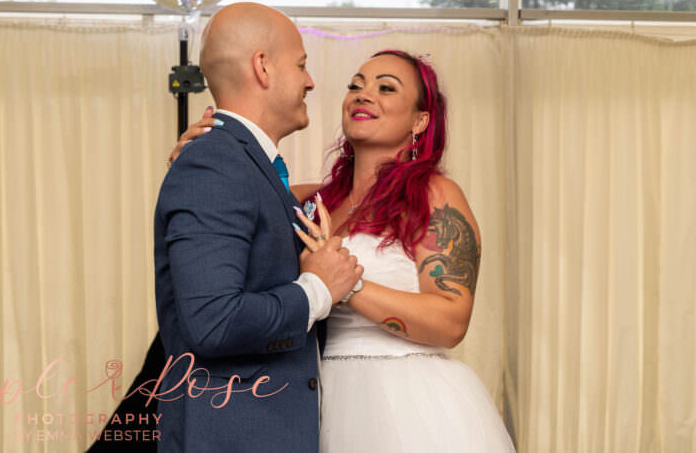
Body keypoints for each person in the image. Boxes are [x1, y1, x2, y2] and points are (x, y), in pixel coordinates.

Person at [171, 48, 514, 452]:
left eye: (386, 88)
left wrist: (348, 286)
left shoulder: (434, 197)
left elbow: (452, 322)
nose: (363, 95)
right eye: (356, 85)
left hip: (407, 402)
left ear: (420, 120)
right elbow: (229, 214)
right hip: (316, 396)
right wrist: (197, 159)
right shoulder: (308, 201)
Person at [153, 2, 362, 452]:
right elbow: (213, 321)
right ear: (263, 67)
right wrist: (318, 290)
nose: (310, 81)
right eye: (302, 64)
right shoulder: (215, 163)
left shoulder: (245, 164)